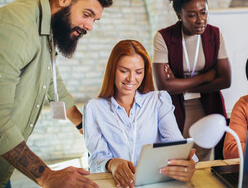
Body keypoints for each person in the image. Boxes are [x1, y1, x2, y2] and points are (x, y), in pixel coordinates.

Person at [0, 0, 113, 188]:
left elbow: (51, 80)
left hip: (0, 163)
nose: (90, 27)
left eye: (94, 20)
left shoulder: (46, 25)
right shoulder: (17, 29)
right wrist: (47, 176)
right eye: (87, 14)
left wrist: (81, 123)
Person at [83, 40, 196, 188]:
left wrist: (189, 163)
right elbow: (95, 160)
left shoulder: (158, 101)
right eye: (124, 71)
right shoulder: (94, 108)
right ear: (112, 70)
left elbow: (176, 144)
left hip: (156, 183)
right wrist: (112, 163)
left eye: (138, 72)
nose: (131, 79)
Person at [152, 0, 231, 161]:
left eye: (203, 12)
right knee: (177, 157)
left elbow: (226, 80)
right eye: (192, 15)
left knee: (204, 159)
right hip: (175, 109)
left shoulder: (214, 34)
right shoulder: (164, 37)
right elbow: (164, 87)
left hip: (208, 106)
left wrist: (180, 84)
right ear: (179, 15)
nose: (200, 20)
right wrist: (207, 76)